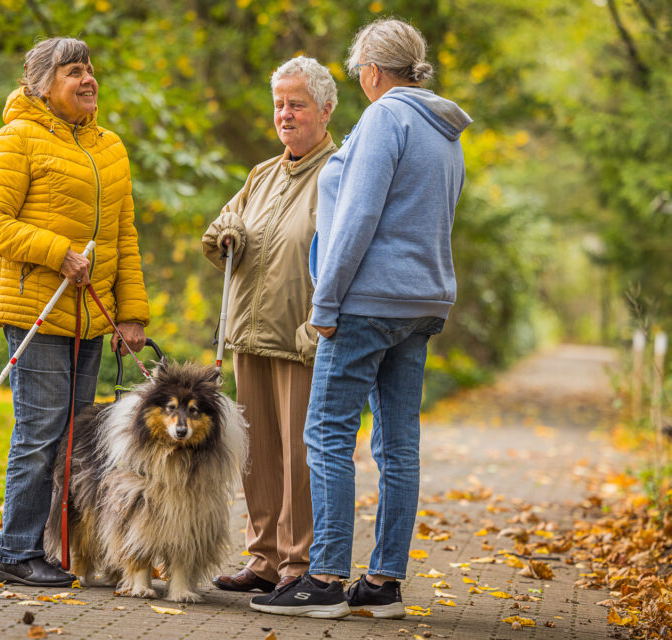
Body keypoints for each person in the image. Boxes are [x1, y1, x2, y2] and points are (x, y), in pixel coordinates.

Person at [248, 19, 472, 619]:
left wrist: (326, 306)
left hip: (369, 304)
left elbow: (357, 218)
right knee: (398, 445)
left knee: (325, 434)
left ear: (372, 71)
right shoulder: (445, 129)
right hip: (422, 303)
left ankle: (322, 579)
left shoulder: (384, 118)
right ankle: (383, 584)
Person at [0, 37, 149, 587]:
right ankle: (14, 551)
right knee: (40, 433)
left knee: (74, 441)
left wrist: (132, 313)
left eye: (90, 70)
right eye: (74, 72)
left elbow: (123, 237)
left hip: (91, 319)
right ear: (42, 86)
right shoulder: (17, 138)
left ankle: (58, 549)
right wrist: (57, 253)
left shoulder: (110, 148)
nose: (88, 79)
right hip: (38, 314)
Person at [202, 56, 338, 594]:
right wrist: (228, 231)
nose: (285, 114)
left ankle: (297, 563)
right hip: (247, 335)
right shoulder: (261, 173)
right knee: (255, 453)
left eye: (297, 104)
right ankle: (262, 559)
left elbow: (348, 255)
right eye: (279, 104)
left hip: (302, 338)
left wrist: (321, 325)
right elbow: (219, 233)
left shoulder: (337, 172)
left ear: (326, 110)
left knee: (299, 455)